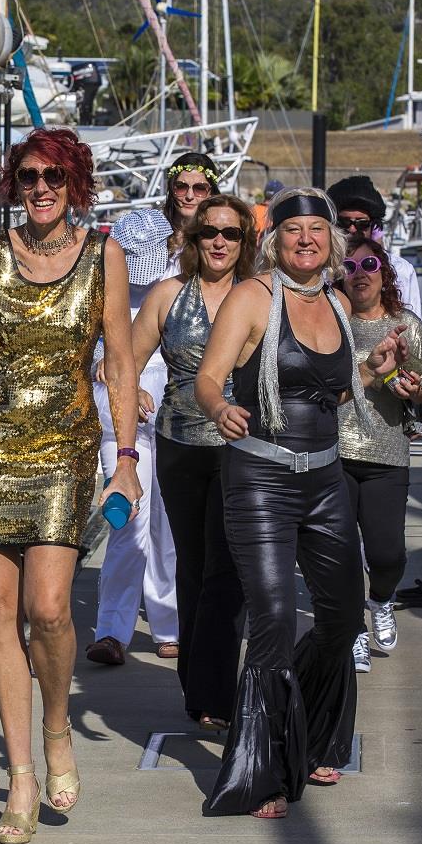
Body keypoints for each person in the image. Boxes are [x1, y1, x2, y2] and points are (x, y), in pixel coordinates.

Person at [0, 127, 142, 844]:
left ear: (75, 182)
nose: (40, 188)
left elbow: (120, 362)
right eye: (27, 177)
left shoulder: (105, 255)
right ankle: (19, 776)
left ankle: (56, 727)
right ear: (14, 185)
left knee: (49, 610)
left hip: (64, 448)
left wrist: (127, 458)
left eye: (53, 176)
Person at [195, 186, 409, 819]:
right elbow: (210, 377)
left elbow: (332, 397)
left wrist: (373, 371)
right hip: (259, 480)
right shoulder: (253, 296)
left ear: (333, 241)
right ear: (275, 240)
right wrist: (220, 407)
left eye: (318, 230)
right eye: (294, 231)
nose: (307, 239)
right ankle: (261, 770)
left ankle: (309, 727)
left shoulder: (340, 303)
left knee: (343, 617)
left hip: (323, 479)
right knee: (273, 620)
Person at [132, 195, 256, 730]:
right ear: (193, 239)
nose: (220, 242)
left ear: (245, 242)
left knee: (229, 569)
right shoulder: (166, 295)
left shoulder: (259, 295)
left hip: (242, 445)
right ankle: (196, 684)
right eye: (209, 233)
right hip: (180, 445)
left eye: (231, 233)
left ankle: (216, 693)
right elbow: (121, 364)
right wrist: (132, 389)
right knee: (193, 563)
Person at [338, 234, 422, 673]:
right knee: (341, 550)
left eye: (368, 266)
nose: (359, 275)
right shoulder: (329, 321)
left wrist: (413, 387)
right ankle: (352, 630)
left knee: (388, 553)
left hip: (387, 450)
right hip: (333, 449)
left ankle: (381, 599)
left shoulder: (405, 323)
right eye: (348, 268)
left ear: (383, 272)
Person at [87, 209, 179, 666]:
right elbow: (87, 351)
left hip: (177, 418)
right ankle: (112, 630)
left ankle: (168, 622)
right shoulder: (102, 286)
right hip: (118, 422)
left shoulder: (179, 285)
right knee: (128, 522)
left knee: (168, 526)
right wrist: (108, 370)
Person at [327, 175, 422, 318]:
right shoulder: (320, 269)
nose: (352, 229)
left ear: (373, 227)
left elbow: (414, 323)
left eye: (362, 224)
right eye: (344, 223)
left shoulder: (401, 269)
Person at [163, 151, 221, 272]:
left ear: (211, 192)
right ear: (171, 189)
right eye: (181, 187)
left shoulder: (218, 240)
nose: (189, 196)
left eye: (200, 188)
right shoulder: (153, 232)